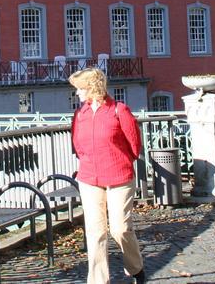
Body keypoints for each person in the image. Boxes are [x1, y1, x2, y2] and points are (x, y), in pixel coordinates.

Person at [68, 67, 145, 284]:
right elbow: (78, 146)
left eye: (81, 89)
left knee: (120, 229)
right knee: (95, 232)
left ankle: (136, 267)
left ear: (92, 88)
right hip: (89, 178)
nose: (77, 93)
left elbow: (134, 146)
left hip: (119, 176)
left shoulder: (119, 110)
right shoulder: (79, 115)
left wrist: (117, 161)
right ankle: (99, 281)